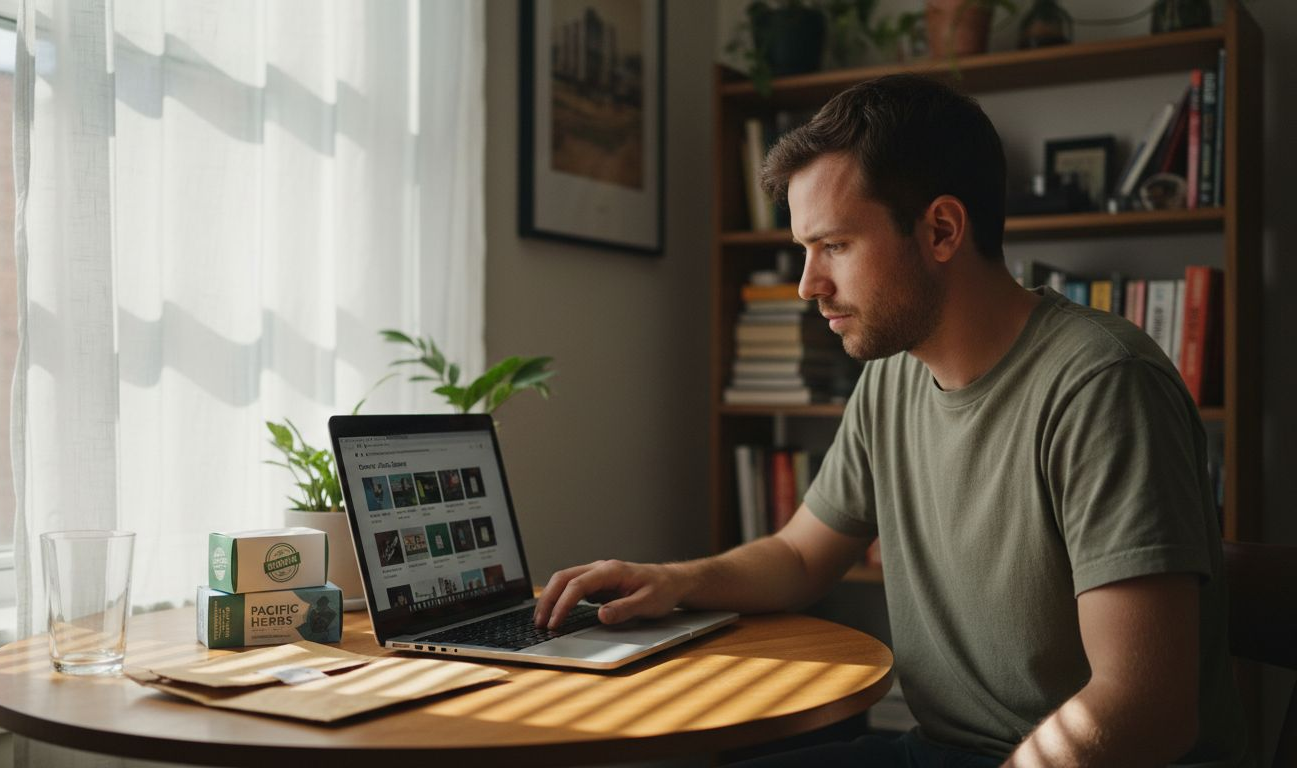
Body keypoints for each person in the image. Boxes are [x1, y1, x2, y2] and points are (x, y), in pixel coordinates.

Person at [534, 74, 1246, 767]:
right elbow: (799, 557)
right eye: (804, 251)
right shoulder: (892, 376)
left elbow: (1146, 707)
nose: (810, 285)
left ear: (940, 229)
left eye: (835, 246)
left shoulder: (1102, 385)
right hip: (935, 750)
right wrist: (672, 580)